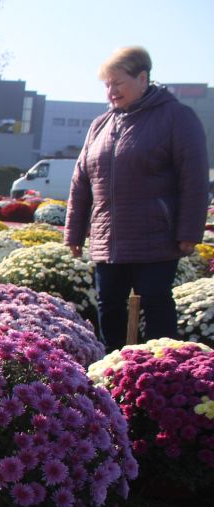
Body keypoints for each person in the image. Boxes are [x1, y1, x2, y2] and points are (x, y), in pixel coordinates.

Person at [66, 46, 208, 351]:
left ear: (142, 78)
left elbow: (194, 179)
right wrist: (74, 233)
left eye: (118, 83)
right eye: (107, 85)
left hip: (155, 238)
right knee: (108, 305)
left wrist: (188, 232)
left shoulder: (177, 117)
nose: (111, 92)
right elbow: (81, 182)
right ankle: (112, 368)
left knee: (156, 304)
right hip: (108, 239)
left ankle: (164, 368)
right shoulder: (100, 125)